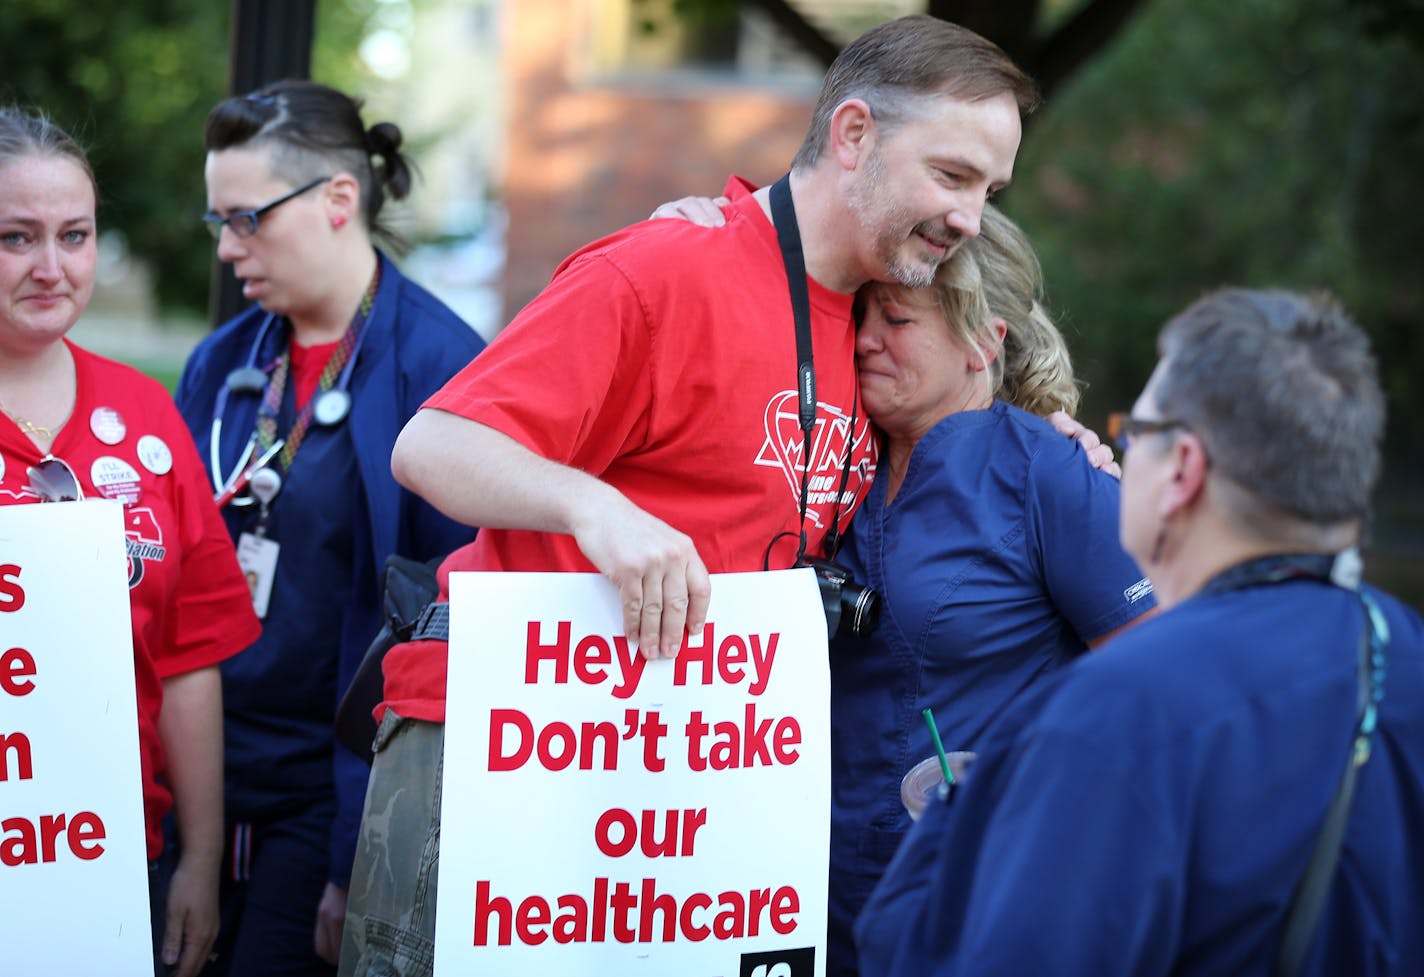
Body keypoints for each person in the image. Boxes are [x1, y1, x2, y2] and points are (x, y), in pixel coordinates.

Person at [341, 15, 1041, 976]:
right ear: (853, 135)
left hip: (678, 798)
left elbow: (985, 392)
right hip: (504, 761)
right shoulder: (668, 268)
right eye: (953, 176)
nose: (970, 215)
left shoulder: (876, 326)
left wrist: (1070, 436)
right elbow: (432, 444)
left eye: (989, 190)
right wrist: (598, 507)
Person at [856, 288, 1424, 977]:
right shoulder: (1403, 646)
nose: (1107, 452)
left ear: (1182, 469)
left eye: (1130, 432)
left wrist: (955, 818)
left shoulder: (1117, 705)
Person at [173, 81, 486, 977]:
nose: (229, 248)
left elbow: (443, 634)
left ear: (338, 201)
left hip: (328, 791)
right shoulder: (225, 360)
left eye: (247, 219)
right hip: (199, 771)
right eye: (217, 223)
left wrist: (364, 855)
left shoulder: (443, 369)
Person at [823, 203, 1155, 977]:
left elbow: (1161, 688)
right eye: (860, 314)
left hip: (978, 899)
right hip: (817, 893)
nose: (864, 338)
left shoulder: (1055, 474)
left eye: (896, 319)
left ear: (983, 341)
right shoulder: (828, 456)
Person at [0, 105, 261, 977]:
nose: (50, 266)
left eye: (74, 235)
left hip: (115, 856)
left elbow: (188, 657)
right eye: (15, 237)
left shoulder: (146, 414)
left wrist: (197, 858)